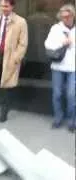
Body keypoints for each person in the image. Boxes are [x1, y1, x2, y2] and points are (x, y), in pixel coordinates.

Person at [45, 4, 75, 132]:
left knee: (71, 94)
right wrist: (62, 43)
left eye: (68, 16)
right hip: (57, 66)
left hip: (73, 67)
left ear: (73, 16)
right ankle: (58, 118)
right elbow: (48, 44)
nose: (65, 19)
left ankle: (71, 121)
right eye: (63, 17)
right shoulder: (56, 28)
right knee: (57, 94)